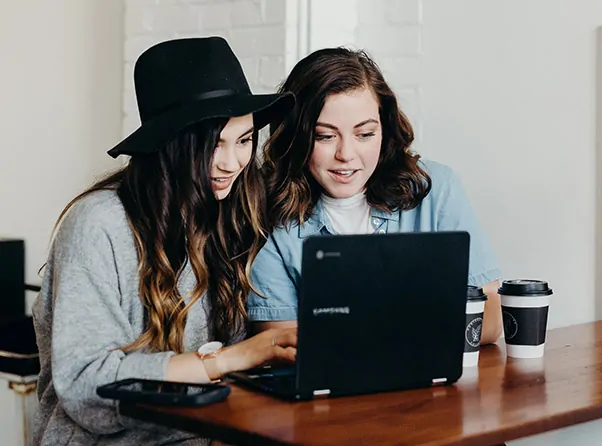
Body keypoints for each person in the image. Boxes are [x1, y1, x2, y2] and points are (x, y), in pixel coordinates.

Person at [32, 37, 296, 445]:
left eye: (244, 140)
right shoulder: (99, 224)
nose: (231, 163)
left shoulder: (229, 213)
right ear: (171, 144)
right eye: (213, 144)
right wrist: (227, 359)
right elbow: (87, 386)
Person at [248, 47, 503, 344]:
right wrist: (419, 319)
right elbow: (279, 344)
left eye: (365, 134)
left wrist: (357, 330)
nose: (346, 155)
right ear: (297, 137)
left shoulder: (435, 188)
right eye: (325, 136)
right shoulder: (268, 211)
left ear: (385, 128)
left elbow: (490, 319)